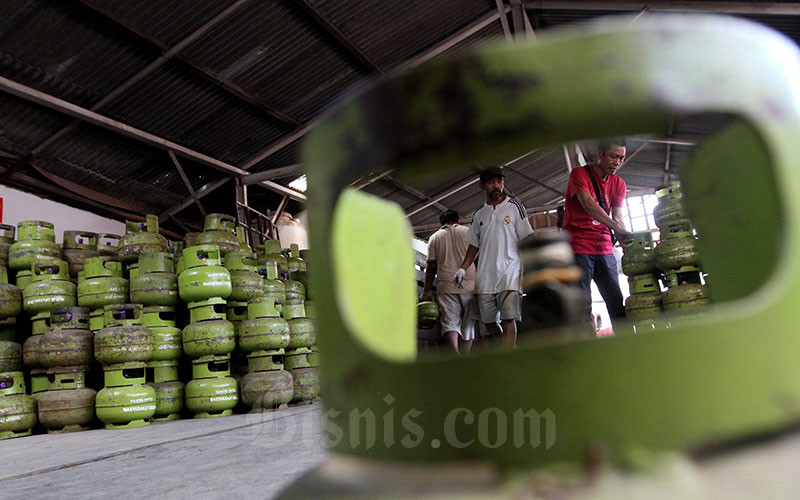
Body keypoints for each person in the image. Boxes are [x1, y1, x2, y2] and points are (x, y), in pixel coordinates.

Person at [454, 166, 534, 348]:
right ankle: (510, 349)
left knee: (508, 319)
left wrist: (532, 264)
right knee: (488, 322)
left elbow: (527, 237)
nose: (497, 186)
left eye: (500, 181)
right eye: (491, 182)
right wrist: (462, 268)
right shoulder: (479, 214)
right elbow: (474, 244)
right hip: (485, 277)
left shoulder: (515, 207)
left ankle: (508, 357)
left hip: (510, 273)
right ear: (482, 185)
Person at [562, 139, 632, 332]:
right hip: (579, 247)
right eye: (614, 156)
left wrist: (625, 241)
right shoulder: (579, 174)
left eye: (621, 158)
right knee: (583, 305)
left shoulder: (619, 183)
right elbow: (588, 204)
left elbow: (618, 216)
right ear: (600, 154)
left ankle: (628, 345)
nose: (617, 162)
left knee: (616, 302)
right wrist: (615, 227)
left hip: (604, 248)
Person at [421, 210, 477, 355]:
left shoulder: (434, 238)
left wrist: (426, 291)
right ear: (457, 220)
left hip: (446, 285)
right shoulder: (468, 232)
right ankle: (465, 357)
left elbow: (431, 267)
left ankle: (455, 356)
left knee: (450, 322)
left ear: (442, 223)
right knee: (469, 322)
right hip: (470, 284)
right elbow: (478, 258)